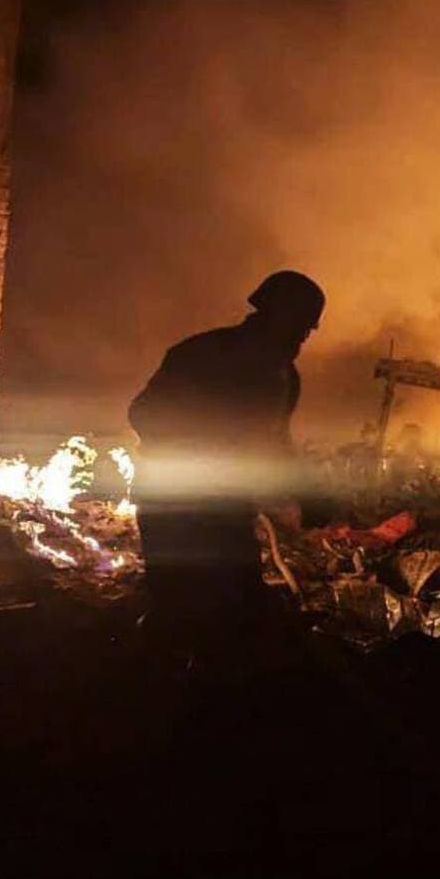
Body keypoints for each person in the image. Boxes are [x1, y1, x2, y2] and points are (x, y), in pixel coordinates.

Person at [128, 269, 325, 663]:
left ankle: (206, 696)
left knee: (231, 611)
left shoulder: (283, 376)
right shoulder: (201, 355)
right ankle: (158, 696)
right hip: (174, 506)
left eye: (307, 330)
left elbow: (276, 442)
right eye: (298, 328)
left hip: (222, 510)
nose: (302, 339)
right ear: (271, 315)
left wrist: (310, 493)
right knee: (180, 608)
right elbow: (143, 415)